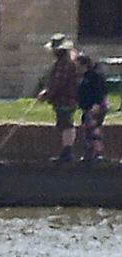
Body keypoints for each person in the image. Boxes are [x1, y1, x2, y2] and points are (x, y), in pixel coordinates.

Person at [34, 35, 83, 163]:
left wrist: (46, 93)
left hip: (66, 98)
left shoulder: (64, 64)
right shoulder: (66, 62)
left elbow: (58, 82)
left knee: (66, 123)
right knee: (64, 123)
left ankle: (67, 153)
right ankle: (66, 151)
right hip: (66, 98)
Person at [77, 50, 111, 166]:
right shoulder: (84, 76)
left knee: (94, 130)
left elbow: (100, 91)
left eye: (79, 65)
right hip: (87, 107)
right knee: (87, 130)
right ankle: (89, 152)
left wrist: (97, 104)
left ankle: (97, 153)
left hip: (95, 107)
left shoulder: (95, 75)